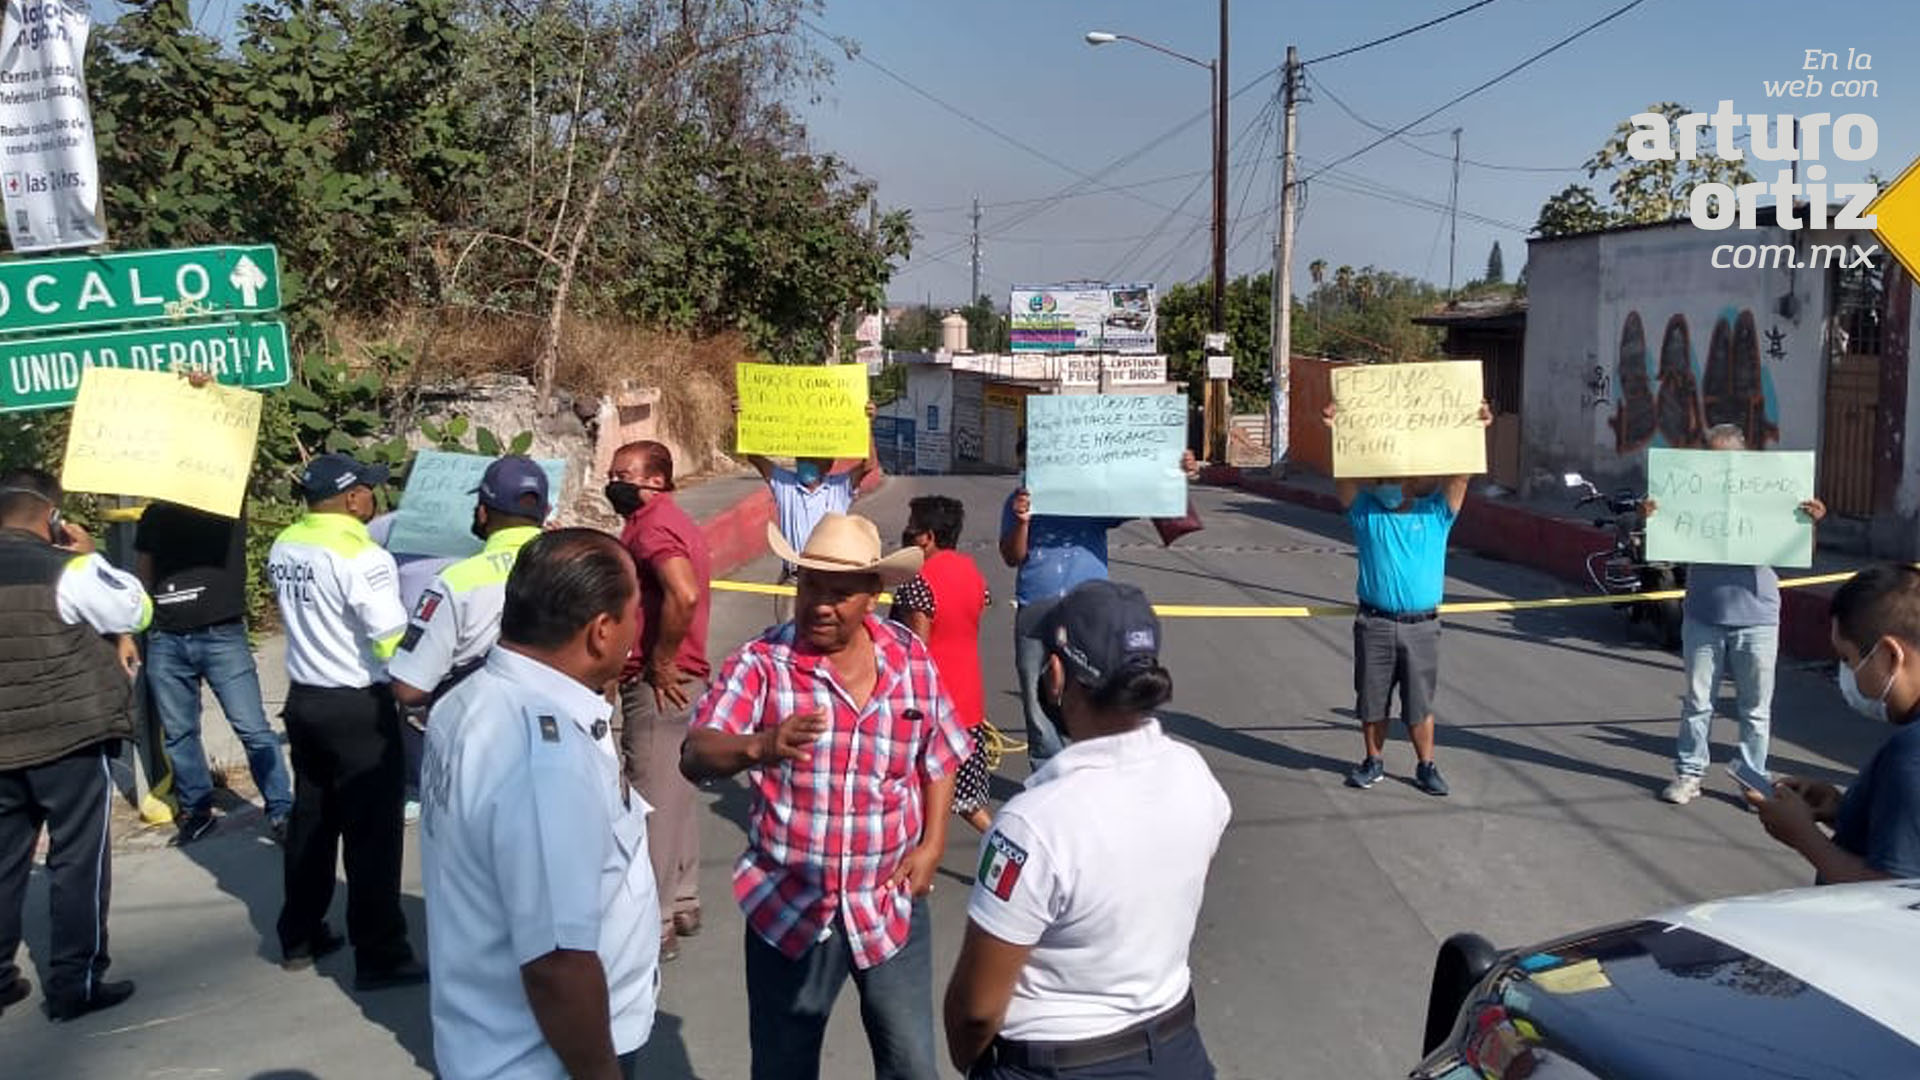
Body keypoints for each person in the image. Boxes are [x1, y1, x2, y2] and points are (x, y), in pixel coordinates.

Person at [683, 513, 970, 1080]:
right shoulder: (762, 665)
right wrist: (759, 747)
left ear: (872, 596)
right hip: (789, 911)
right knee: (783, 1069)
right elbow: (695, 754)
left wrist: (934, 841)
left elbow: (939, 753)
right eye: (810, 585)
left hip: (889, 906)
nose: (820, 604)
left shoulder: (909, 659)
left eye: (840, 593)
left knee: (912, 1065)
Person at [944, 580, 1230, 1078]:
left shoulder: (1030, 825)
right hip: (1176, 1049)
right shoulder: (1195, 775)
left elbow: (977, 1009)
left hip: (1057, 1063)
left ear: (1057, 674)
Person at [422, 529, 659, 1079]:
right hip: (545, 1060)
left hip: (491, 1043)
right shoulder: (542, 759)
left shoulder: (467, 700)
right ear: (601, 632)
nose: (635, 631)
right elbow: (557, 963)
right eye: (633, 615)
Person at [266, 452, 425, 990]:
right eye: (369, 490)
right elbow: (388, 638)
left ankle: (300, 934)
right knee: (372, 835)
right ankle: (380, 953)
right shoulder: (363, 557)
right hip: (357, 706)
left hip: (305, 698)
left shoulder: (286, 543)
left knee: (312, 820)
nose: (374, 497)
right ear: (353, 497)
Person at [0, 468, 149, 1022]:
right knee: (78, 862)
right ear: (53, 517)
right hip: (69, 740)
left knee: (4, 862)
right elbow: (135, 611)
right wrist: (93, 556)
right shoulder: (69, 570)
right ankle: (75, 983)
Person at [1644, 423, 1827, 805]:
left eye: (1724, 458)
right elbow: (1665, 541)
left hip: (1757, 617)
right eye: (1710, 458)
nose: (1717, 466)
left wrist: (1810, 524)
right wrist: (1654, 516)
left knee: (1755, 709)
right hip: (1703, 614)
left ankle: (1751, 780)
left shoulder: (1769, 493)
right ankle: (1689, 774)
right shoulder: (1689, 490)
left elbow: (1797, 554)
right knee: (1697, 703)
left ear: (1742, 457)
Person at [1324, 399, 1493, 796]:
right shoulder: (1365, 512)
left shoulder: (1436, 514)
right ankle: (1373, 761)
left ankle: (1426, 765)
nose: (1387, 484)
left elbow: (1461, 480)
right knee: (1371, 701)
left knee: (1419, 705)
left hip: (1422, 626)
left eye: (1395, 478)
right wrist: (1336, 431)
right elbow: (1344, 479)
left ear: (1413, 481)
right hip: (1375, 623)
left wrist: (1477, 430)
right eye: (1382, 478)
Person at [1000, 440, 1199, 765]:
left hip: (1087, 613)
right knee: (1034, 695)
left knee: (1094, 688)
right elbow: (1011, 556)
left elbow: (1142, 498)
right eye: (1024, 467)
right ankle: (1047, 769)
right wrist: (1023, 521)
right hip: (1034, 605)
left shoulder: (1089, 496)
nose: (1028, 474)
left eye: (1035, 465)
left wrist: (1175, 471)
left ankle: (1095, 764)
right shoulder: (1015, 502)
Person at [604, 440, 712, 963]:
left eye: (626, 473)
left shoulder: (652, 527)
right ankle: (685, 898)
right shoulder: (665, 521)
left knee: (649, 803)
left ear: (659, 481)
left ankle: (656, 921)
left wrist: (661, 660)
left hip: (659, 682)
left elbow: (683, 592)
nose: (615, 481)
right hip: (675, 678)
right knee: (675, 793)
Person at [1746, 562, 1920, 881]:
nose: (1848, 676)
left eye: (1847, 659)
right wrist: (1844, 811)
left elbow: (1891, 897)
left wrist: (1804, 837)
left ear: (1890, 656)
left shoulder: (1910, 755)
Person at [135, 498, 293, 845]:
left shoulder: (227, 502)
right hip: (166, 636)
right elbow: (144, 567)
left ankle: (281, 808)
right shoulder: (156, 512)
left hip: (221, 634)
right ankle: (197, 810)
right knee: (179, 733)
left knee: (252, 728)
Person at [389, 455, 552, 716]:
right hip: (559, 732)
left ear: (482, 512)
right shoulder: (579, 569)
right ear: (546, 511)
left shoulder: (456, 581)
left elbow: (409, 689)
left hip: (478, 730)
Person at [893, 494, 994, 834]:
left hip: (931, 705)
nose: (906, 538)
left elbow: (918, 646)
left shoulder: (918, 579)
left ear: (928, 537)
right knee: (966, 799)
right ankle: (1006, 848)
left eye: (910, 533)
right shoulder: (973, 572)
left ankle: (913, 869)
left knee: (918, 792)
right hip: (968, 702)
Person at [742, 398, 881, 621]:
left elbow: (868, 465)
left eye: (813, 458)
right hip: (794, 578)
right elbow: (753, 456)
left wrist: (867, 424)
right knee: (788, 641)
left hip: (830, 576)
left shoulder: (839, 487)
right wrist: (742, 416)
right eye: (802, 457)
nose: (805, 462)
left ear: (828, 464)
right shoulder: (784, 484)